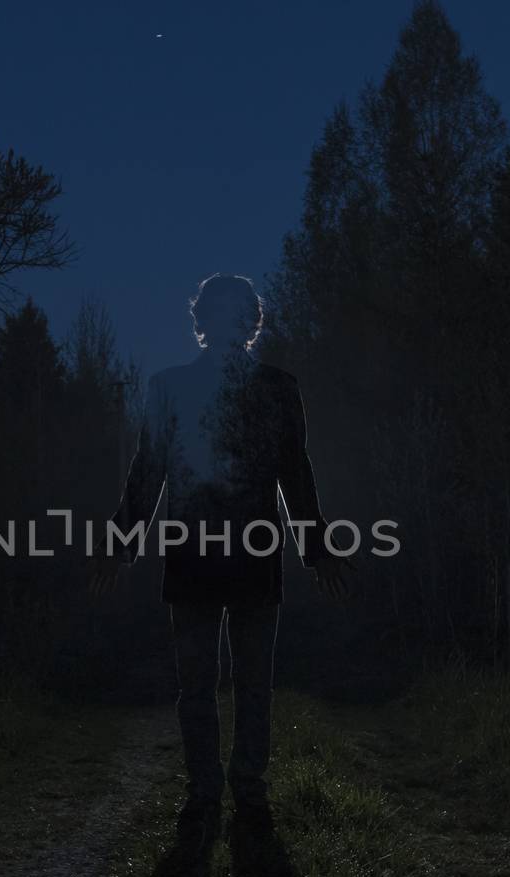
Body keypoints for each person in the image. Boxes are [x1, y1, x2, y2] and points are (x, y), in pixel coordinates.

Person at [90, 273, 351, 835]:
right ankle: (234, 790)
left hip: (207, 557)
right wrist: (318, 546)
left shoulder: (183, 386)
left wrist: (318, 546)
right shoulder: (268, 387)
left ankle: (217, 790)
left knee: (209, 685)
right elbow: (291, 474)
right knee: (238, 685)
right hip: (231, 557)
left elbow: (289, 472)